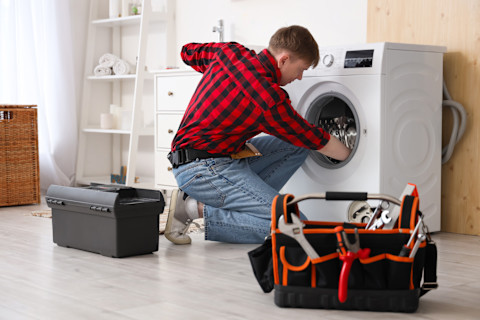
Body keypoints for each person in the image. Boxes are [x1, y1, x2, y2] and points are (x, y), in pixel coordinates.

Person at [165, 25, 351, 245]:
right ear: (283, 60)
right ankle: (193, 208)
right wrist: (355, 154)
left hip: (216, 158)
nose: (300, 77)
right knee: (297, 228)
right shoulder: (268, 98)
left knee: (298, 146)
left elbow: (187, 51)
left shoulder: (230, 53)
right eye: (300, 69)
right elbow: (314, 138)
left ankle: (250, 204)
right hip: (204, 171)